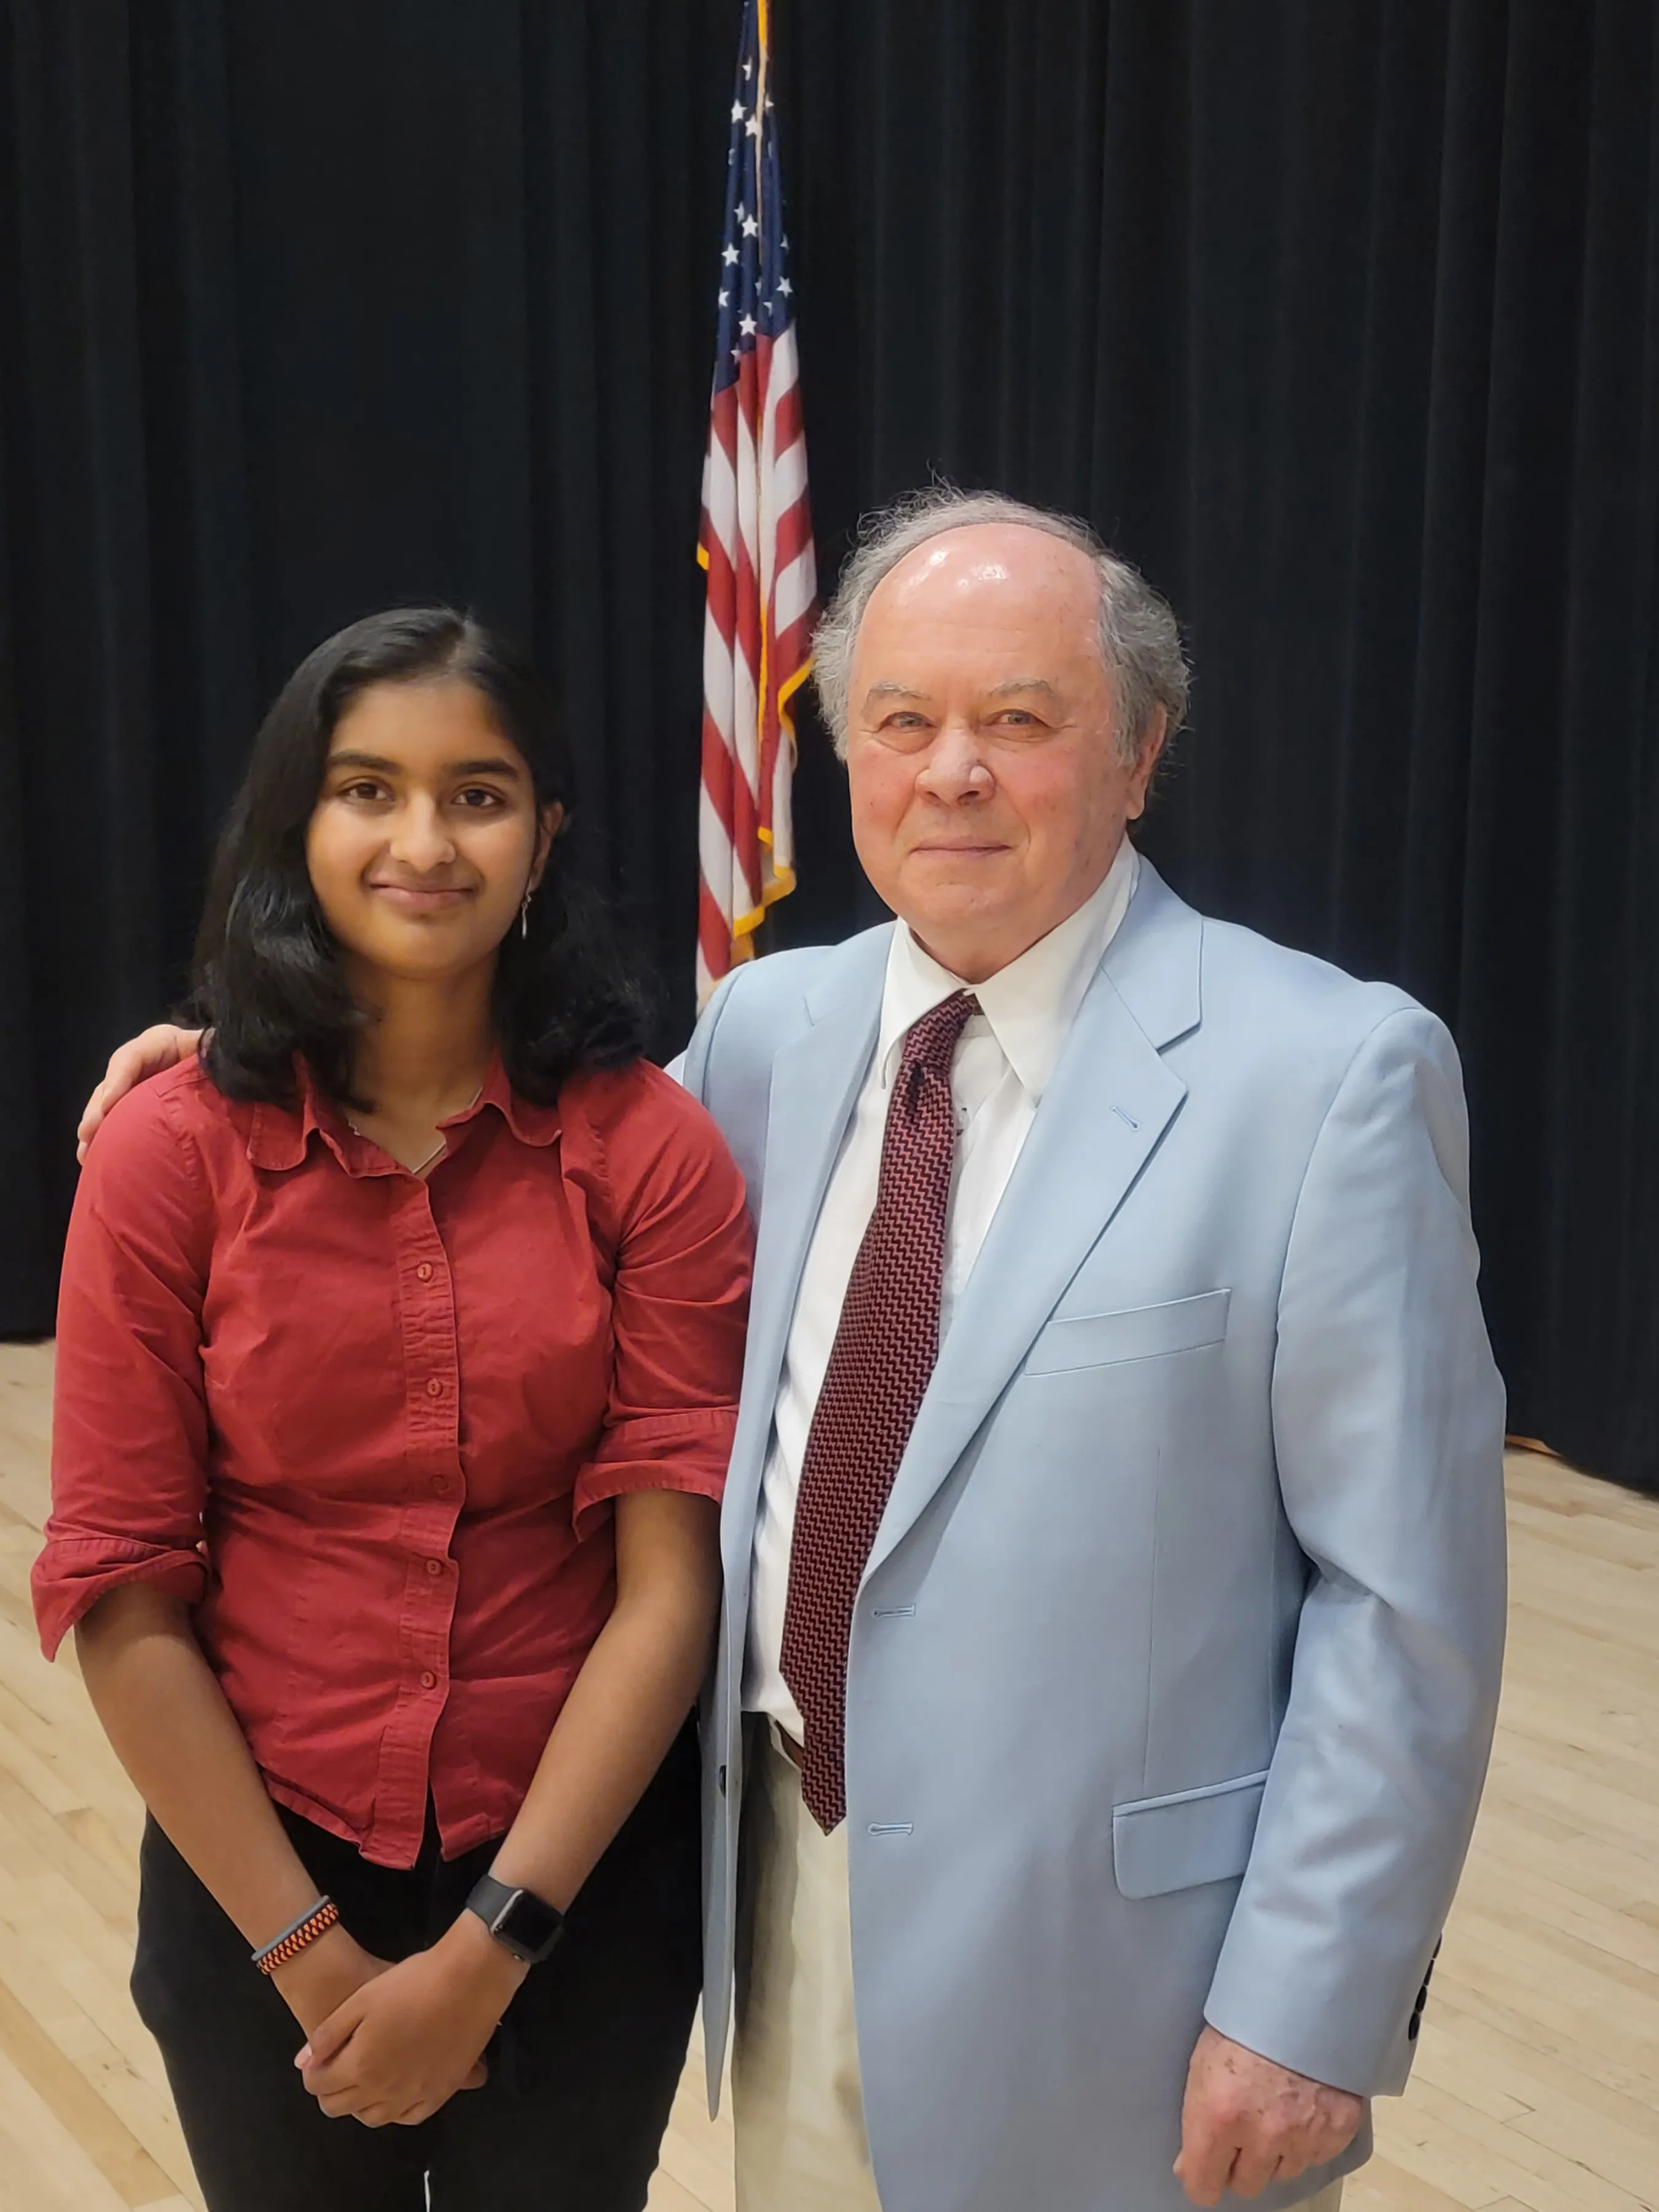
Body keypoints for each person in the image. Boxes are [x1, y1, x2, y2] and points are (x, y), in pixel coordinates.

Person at [85, 488, 1509, 2212]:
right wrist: (208, 1062)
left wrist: (1308, 2007)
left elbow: (1404, 1604)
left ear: (1141, 752)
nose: (951, 771)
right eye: (902, 722)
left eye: (1019, 721)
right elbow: (477, 1177)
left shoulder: (1326, 1074)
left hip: (1119, 1979)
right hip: (773, 1885)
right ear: (843, 754)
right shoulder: (769, 1033)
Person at [42, 608, 752, 2212]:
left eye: (478, 794)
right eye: (368, 789)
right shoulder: (170, 1155)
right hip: (258, 1870)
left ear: (543, 834)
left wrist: (489, 1950)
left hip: (569, 1887)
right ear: (302, 821)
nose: (422, 840)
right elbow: (122, 1582)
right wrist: (306, 1961)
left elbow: (664, 1591)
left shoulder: (648, 1153)